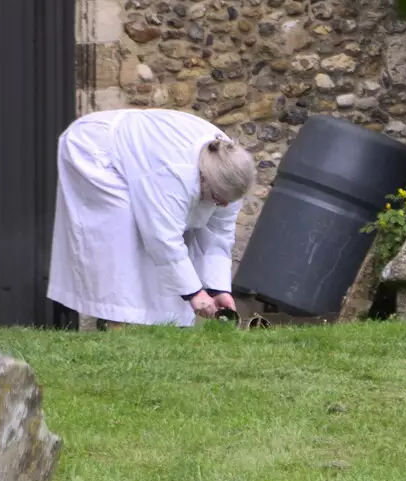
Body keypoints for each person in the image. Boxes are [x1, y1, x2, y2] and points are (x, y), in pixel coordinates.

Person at [47, 108, 257, 328]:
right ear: (204, 179)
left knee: (164, 251)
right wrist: (194, 293)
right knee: (123, 233)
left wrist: (218, 288)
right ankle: (115, 323)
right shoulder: (175, 174)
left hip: (149, 152)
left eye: (227, 201)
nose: (223, 205)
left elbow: (219, 236)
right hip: (97, 147)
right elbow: (163, 239)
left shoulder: (230, 174)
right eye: (217, 198)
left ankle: (161, 325)